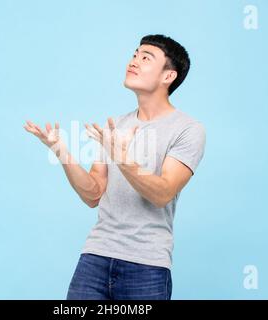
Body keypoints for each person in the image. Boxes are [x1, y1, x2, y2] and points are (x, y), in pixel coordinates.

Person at [24, 34, 206, 300]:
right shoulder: (117, 126)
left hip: (147, 265)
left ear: (168, 76)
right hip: (95, 258)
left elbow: (162, 193)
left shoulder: (188, 130)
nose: (134, 61)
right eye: (135, 55)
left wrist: (122, 158)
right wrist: (61, 151)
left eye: (146, 58)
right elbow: (93, 194)